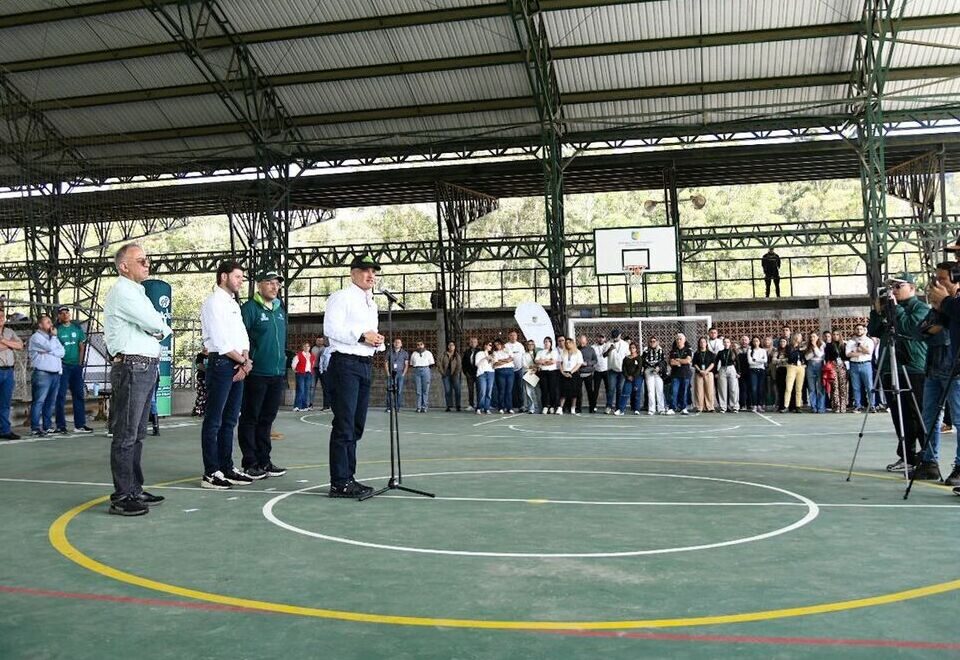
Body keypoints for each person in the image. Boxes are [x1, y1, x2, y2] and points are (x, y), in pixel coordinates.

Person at [103, 243, 172, 516]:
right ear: (124, 266)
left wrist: (155, 327)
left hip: (143, 367)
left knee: (138, 434)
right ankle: (122, 495)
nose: (147, 264)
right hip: (132, 366)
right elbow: (157, 324)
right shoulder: (123, 291)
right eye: (141, 260)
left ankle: (133, 487)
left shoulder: (137, 292)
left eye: (147, 260)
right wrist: (156, 328)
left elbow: (155, 324)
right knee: (126, 434)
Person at [323, 254, 385, 498]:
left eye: (374, 272)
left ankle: (349, 477)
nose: (371, 275)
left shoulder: (372, 303)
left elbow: (371, 335)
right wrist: (362, 336)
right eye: (365, 270)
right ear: (353, 273)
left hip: (364, 364)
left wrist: (377, 341)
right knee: (345, 424)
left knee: (356, 425)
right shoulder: (341, 297)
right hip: (345, 364)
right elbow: (331, 329)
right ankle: (340, 481)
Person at [199, 261, 254, 490]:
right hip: (222, 364)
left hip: (237, 364)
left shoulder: (233, 304)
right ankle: (211, 472)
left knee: (230, 420)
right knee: (214, 420)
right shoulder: (213, 303)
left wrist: (245, 360)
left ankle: (226, 467)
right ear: (223, 277)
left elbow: (242, 336)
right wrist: (243, 362)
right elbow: (221, 342)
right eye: (237, 276)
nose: (241, 280)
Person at [868, 272, 929, 473]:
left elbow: (910, 328)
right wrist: (877, 312)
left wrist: (896, 309)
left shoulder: (919, 308)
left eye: (898, 286)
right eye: (891, 287)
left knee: (917, 414)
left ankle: (928, 458)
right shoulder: (890, 307)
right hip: (889, 367)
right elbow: (875, 331)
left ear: (911, 287)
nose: (893, 291)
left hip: (912, 367)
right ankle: (906, 456)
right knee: (899, 414)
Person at [236, 270, 288, 479]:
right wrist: (245, 362)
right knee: (251, 417)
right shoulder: (250, 308)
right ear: (259, 285)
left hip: (277, 373)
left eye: (277, 284)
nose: (275, 287)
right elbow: (240, 337)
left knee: (267, 418)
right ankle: (250, 462)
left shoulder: (279, 309)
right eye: (270, 283)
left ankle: (264, 461)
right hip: (256, 372)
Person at [921, 262, 960, 486]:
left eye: (943, 279)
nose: (937, 283)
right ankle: (929, 461)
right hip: (933, 367)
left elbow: (939, 332)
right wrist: (940, 308)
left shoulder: (952, 304)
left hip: (954, 369)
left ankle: (959, 466)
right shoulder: (942, 307)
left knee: (959, 420)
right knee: (930, 417)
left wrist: (945, 305)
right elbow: (923, 331)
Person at [53, 306, 92, 434]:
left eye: (67, 313)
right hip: (63, 366)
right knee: (61, 395)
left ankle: (80, 425)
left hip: (76, 366)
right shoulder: (57, 330)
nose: (65, 315)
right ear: (59, 316)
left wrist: (80, 363)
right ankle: (60, 425)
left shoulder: (76, 329)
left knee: (79, 395)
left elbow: (81, 346)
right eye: (62, 313)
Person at [28, 314, 65, 437]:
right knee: (39, 401)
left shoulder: (52, 337)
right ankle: (35, 428)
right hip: (42, 373)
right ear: (40, 325)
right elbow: (49, 346)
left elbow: (62, 352)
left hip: (55, 373)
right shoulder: (36, 337)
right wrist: (53, 342)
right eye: (48, 322)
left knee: (50, 402)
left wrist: (51, 351)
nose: (51, 324)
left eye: (50, 322)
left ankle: (47, 426)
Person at [0, 309, 24, 440]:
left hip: (8, 371)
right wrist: (10, 345)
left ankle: (5, 430)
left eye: (2, 316)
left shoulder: (9, 332)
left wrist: (3, 341)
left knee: (5, 403)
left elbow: (20, 345)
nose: (1, 318)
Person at [845, 323, 875, 413]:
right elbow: (848, 354)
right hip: (854, 365)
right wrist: (861, 352)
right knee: (855, 387)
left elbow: (869, 352)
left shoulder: (869, 341)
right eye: (857, 329)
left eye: (861, 329)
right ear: (855, 330)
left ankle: (872, 405)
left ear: (864, 330)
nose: (859, 331)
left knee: (869, 386)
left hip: (866, 365)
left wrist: (859, 346)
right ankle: (858, 405)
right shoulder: (850, 342)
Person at [603, 329, 629, 414]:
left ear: (620, 335)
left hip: (622, 370)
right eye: (613, 336)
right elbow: (604, 355)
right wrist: (609, 349)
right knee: (611, 389)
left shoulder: (625, 344)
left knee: (620, 389)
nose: (614, 338)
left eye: (616, 336)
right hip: (612, 369)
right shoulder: (608, 343)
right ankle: (609, 406)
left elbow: (627, 356)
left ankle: (618, 407)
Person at [669, 333, 693, 415]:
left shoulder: (688, 350)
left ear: (684, 340)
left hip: (685, 374)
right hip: (675, 374)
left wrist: (678, 360)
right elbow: (671, 362)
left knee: (684, 392)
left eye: (680, 339)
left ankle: (684, 408)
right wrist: (682, 361)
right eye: (677, 339)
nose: (678, 341)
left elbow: (688, 361)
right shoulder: (673, 351)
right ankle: (672, 408)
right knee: (674, 391)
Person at [616, 342, 642, 415]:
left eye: (633, 347)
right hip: (628, 378)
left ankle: (636, 409)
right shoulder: (626, 358)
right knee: (625, 393)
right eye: (630, 348)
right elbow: (623, 368)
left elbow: (639, 369)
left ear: (636, 349)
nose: (632, 349)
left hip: (637, 378)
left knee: (636, 393)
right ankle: (621, 410)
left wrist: (633, 376)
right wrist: (627, 376)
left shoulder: (639, 358)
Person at [558, 338, 583, 415]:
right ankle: (560, 408)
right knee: (563, 392)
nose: (568, 344)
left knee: (574, 392)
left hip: (574, 374)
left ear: (573, 343)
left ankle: (573, 408)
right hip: (564, 373)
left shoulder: (578, 352)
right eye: (566, 343)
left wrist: (571, 372)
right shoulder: (563, 352)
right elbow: (560, 364)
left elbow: (579, 363)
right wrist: (563, 372)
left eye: (569, 342)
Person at [641, 337, 666, 415]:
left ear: (657, 342)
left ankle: (661, 408)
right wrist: (649, 367)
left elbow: (663, 361)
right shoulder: (646, 351)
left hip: (658, 372)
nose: (652, 343)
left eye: (654, 341)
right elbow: (643, 361)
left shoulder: (660, 351)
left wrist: (659, 367)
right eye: (651, 341)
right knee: (650, 391)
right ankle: (651, 409)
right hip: (649, 371)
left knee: (660, 390)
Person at [715, 337, 740, 413]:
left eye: (728, 342)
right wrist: (716, 372)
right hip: (722, 369)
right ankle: (723, 407)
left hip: (731, 369)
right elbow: (716, 362)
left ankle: (734, 406)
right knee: (722, 389)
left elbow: (738, 362)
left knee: (733, 388)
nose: (726, 343)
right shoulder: (720, 352)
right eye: (725, 342)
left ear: (730, 343)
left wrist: (738, 372)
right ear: (723, 343)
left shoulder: (733, 351)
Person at [536, 337, 560, 414]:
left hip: (552, 372)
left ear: (550, 343)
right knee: (544, 390)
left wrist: (543, 361)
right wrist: (546, 360)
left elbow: (553, 361)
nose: (546, 343)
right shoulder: (540, 352)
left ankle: (552, 406)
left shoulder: (554, 351)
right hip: (543, 372)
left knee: (552, 390)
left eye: (548, 342)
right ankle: (545, 406)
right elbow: (537, 361)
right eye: (545, 341)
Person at [384, 338, 409, 412]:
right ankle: (389, 407)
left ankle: (397, 407)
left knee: (399, 391)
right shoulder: (389, 352)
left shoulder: (405, 353)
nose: (397, 343)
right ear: (393, 343)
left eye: (398, 342)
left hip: (400, 373)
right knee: (389, 390)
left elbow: (406, 364)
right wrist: (388, 373)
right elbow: (386, 363)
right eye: (395, 342)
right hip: (391, 373)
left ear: (401, 344)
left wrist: (403, 374)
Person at [804, 332, 826, 413]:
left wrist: (815, 346)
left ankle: (820, 407)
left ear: (817, 337)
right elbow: (806, 357)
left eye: (814, 336)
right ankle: (813, 406)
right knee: (811, 388)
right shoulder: (807, 345)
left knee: (820, 387)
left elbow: (820, 355)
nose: (812, 338)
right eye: (811, 337)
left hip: (819, 365)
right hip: (810, 366)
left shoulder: (822, 344)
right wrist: (814, 352)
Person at [410, 340, 435, 413]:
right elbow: (411, 364)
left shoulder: (428, 353)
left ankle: (424, 406)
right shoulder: (414, 354)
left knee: (425, 390)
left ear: (423, 345)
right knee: (418, 390)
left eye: (421, 344)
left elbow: (431, 363)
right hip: (417, 370)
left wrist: (426, 370)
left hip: (426, 369)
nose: (419, 346)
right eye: (418, 345)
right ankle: (418, 407)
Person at [692, 337, 716, 413]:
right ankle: (699, 407)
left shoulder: (711, 353)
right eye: (701, 342)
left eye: (704, 342)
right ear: (699, 344)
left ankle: (710, 407)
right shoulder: (696, 353)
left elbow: (713, 363)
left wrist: (706, 371)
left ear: (706, 343)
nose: (702, 343)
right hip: (699, 373)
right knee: (699, 391)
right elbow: (694, 363)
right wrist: (700, 370)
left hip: (708, 373)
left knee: (709, 390)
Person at [783, 333, 806, 413]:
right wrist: (798, 350)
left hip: (801, 367)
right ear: (796, 337)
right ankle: (786, 406)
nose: (801, 338)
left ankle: (798, 406)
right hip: (791, 366)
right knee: (789, 387)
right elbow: (790, 357)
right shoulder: (789, 347)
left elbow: (804, 357)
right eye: (799, 337)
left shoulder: (802, 347)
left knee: (799, 388)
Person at [490, 339, 514, 414]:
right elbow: (496, 363)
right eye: (496, 344)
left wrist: (502, 361)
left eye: (498, 344)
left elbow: (511, 358)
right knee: (501, 390)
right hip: (500, 371)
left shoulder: (507, 349)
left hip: (510, 371)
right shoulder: (495, 353)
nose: (497, 346)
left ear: (501, 343)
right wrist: (506, 360)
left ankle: (509, 408)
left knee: (509, 391)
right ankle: (501, 407)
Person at [504, 331, 525, 411]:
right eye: (511, 335)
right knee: (509, 388)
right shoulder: (506, 346)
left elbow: (523, 357)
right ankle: (509, 406)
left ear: (517, 336)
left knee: (520, 387)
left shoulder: (520, 346)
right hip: (509, 370)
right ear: (509, 336)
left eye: (514, 335)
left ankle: (521, 405)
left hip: (519, 369)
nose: (513, 337)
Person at [438, 341, 462, 412]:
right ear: (448, 346)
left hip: (455, 374)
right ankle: (448, 406)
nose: (451, 346)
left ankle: (458, 405)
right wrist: (442, 373)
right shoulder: (443, 355)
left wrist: (455, 373)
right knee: (447, 390)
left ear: (454, 347)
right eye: (450, 345)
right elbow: (439, 364)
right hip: (446, 374)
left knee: (457, 390)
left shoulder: (457, 355)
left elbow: (459, 365)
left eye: (453, 345)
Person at [577, 335, 598, 414]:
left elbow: (595, 360)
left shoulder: (591, 349)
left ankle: (592, 408)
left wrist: (587, 363)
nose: (582, 343)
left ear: (586, 341)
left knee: (590, 392)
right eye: (580, 341)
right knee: (578, 392)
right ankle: (578, 408)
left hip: (588, 373)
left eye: (583, 341)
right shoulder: (576, 349)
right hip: (578, 373)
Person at [745, 336, 767, 412]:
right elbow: (750, 362)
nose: (755, 342)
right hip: (752, 370)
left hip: (761, 370)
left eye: (757, 341)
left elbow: (765, 360)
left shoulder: (763, 350)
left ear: (759, 342)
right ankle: (754, 405)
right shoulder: (750, 350)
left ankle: (759, 405)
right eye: (754, 341)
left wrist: (755, 360)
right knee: (754, 388)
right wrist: (759, 360)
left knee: (760, 388)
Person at [291, 342, 315, 412]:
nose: (306, 347)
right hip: (300, 374)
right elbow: (293, 364)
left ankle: (304, 406)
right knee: (300, 389)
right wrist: (296, 370)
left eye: (308, 346)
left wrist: (310, 371)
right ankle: (297, 406)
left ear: (309, 348)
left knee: (306, 390)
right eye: (305, 346)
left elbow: (312, 365)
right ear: (303, 347)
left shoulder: (312, 356)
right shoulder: (298, 355)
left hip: (308, 374)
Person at [474, 340, 495, 415]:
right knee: (482, 391)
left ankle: (487, 408)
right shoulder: (479, 353)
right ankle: (479, 408)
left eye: (491, 345)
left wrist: (492, 360)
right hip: (482, 373)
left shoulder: (492, 354)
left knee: (489, 392)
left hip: (491, 373)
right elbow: (477, 364)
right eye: (489, 345)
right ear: (485, 345)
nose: (490, 346)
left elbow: (493, 365)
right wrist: (485, 358)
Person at [590, 332, 610, 412]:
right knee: (595, 389)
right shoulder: (593, 347)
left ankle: (608, 406)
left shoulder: (607, 346)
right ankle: (593, 406)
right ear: (597, 338)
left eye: (602, 337)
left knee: (608, 389)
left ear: (605, 338)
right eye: (599, 337)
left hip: (607, 370)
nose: (601, 339)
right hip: (597, 370)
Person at [520, 339, 541, 414]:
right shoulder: (524, 354)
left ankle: (538, 407)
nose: (530, 346)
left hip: (537, 373)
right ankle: (531, 408)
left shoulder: (538, 353)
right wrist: (531, 367)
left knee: (538, 391)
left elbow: (540, 363)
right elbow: (524, 365)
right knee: (529, 391)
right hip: (528, 373)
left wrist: (536, 368)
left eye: (532, 344)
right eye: (529, 344)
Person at [463, 337, 481, 411]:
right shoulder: (467, 352)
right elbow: (463, 363)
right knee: (470, 390)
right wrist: (465, 372)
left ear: (477, 343)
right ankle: (471, 405)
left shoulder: (480, 351)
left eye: (474, 342)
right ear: (470, 343)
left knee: (479, 389)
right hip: (469, 374)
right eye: (471, 342)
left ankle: (479, 405)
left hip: (478, 373)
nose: (473, 343)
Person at [309, 337, 326, 410]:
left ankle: (326, 405)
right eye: (318, 340)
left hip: (323, 370)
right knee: (312, 387)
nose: (319, 342)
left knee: (325, 387)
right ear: (316, 341)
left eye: (321, 340)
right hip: (314, 369)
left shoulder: (326, 349)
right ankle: (310, 404)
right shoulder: (312, 349)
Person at [772, 337, 789, 412]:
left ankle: (787, 405)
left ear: (787, 342)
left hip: (788, 370)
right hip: (779, 370)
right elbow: (773, 361)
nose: (782, 343)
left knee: (787, 388)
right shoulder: (776, 350)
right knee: (780, 389)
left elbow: (790, 359)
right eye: (781, 341)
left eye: (784, 341)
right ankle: (781, 405)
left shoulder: (789, 350)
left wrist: (779, 360)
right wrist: (783, 360)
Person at [191, 347, 208, 416]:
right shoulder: (200, 355)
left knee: (209, 394)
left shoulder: (213, 355)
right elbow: (198, 365)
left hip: (210, 377)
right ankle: (198, 409)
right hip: (202, 377)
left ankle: (206, 409)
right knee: (201, 393)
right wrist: (207, 370)